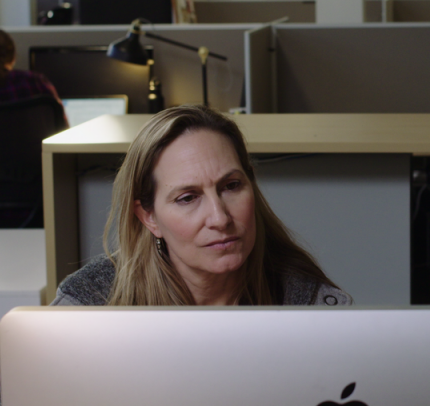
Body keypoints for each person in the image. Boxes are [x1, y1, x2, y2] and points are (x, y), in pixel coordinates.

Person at [53, 105, 349, 306]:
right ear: (148, 217)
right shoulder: (90, 303)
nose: (220, 218)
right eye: (188, 198)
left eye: (231, 186)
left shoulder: (309, 304)